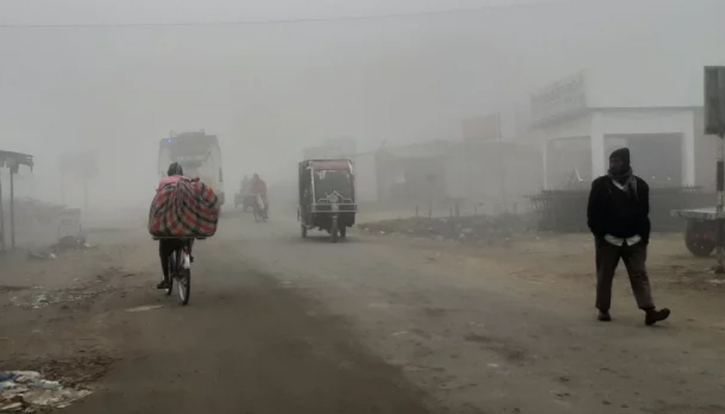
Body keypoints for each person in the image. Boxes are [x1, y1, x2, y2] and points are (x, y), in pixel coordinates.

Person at [587, 148, 670, 325]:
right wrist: (601, 235)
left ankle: (649, 311)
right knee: (605, 275)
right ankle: (603, 309)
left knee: (639, 274)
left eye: (617, 161)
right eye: (611, 162)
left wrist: (643, 238)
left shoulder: (640, 186)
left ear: (626, 162)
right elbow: (592, 214)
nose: (614, 165)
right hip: (608, 240)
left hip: (634, 241)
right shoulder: (601, 185)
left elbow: (643, 213)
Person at [156, 162, 193, 290]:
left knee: (163, 251)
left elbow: (158, 199)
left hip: (170, 227)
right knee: (190, 235)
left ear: (169, 172)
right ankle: (190, 254)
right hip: (186, 227)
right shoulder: (187, 181)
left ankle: (166, 279)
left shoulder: (164, 181)